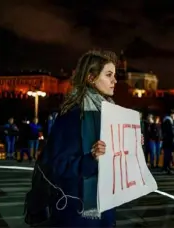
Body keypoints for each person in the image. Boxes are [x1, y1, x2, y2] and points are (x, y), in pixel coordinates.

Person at [38, 50, 118, 227]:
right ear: (91, 78)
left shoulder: (110, 115)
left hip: (105, 207)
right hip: (78, 212)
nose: (115, 80)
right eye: (109, 75)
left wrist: (130, 145)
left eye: (115, 75)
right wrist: (92, 158)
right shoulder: (73, 117)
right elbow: (58, 166)